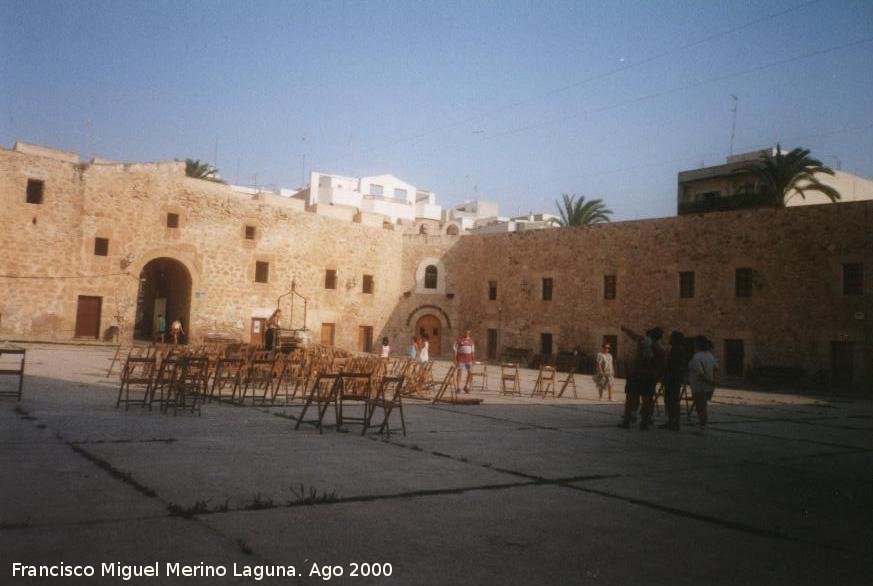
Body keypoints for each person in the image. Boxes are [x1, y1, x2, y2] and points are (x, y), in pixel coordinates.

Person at [619, 326, 665, 430]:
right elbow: (661, 366)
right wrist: (657, 377)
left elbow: (634, 335)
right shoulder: (660, 350)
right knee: (647, 400)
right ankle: (644, 422)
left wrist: (626, 329)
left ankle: (626, 421)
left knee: (630, 398)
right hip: (649, 376)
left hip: (637, 374)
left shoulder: (642, 341)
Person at [659, 331, 691, 431]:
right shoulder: (676, 349)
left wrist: (668, 376)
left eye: (671, 337)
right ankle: (672, 421)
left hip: (673, 378)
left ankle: (674, 421)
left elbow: (674, 365)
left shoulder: (677, 350)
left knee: (672, 400)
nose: (670, 339)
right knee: (670, 400)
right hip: (673, 378)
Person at [688, 335, 718, 431]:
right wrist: (713, 381)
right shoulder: (710, 356)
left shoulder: (696, 357)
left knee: (700, 407)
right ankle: (703, 424)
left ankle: (703, 425)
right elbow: (716, 368)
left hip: (699, 387)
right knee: (703, 405)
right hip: (708, 387)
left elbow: (700, 374)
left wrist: (710, 382)